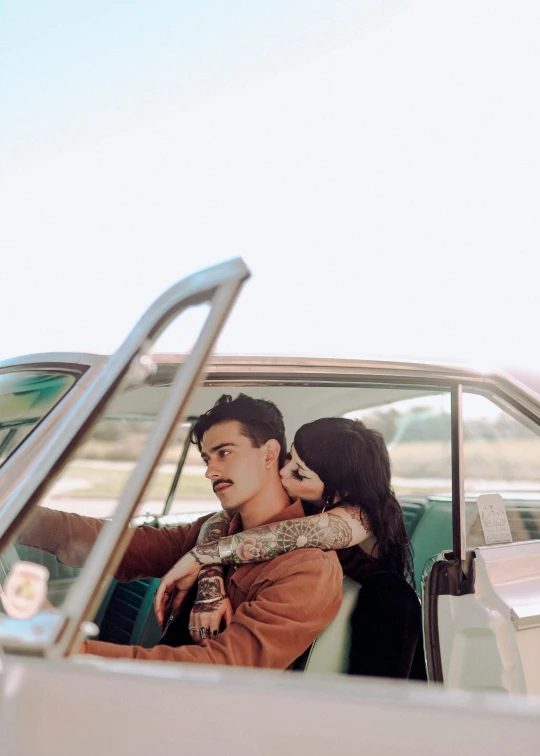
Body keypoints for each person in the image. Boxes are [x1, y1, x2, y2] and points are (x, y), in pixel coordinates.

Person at [19, 394, 343, 669]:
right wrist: (23, 520)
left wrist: (81, 651)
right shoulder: (212, 529)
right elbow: (126, 546)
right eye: (206, 458)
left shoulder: (307, 567)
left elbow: (223, 668)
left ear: (270, 453)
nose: (209, 471)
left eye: (224, 453)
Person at [155, 416, 416, 661]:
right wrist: (209, 579)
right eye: (290, 456)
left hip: (372, 617)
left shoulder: (362, 514)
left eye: (299, 473)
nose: (283, 471)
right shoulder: (309, 496)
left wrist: (198, 557)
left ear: (340, 491)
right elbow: (221, 519)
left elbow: (286, 537)